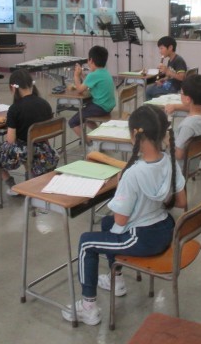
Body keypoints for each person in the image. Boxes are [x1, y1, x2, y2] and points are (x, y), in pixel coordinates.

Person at [64, 105, 186, 325]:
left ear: (134, 135)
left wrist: (121, 186)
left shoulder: (133, 173)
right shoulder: (170, 161)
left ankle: (88, 307)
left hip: (143, 237)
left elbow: (121, 219)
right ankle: (116, 279)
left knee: (86, 242)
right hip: (166, 228)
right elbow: (182, 202)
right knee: (107, 223)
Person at [0, 69, 58, 196]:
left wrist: (10, 124)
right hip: (44, 149)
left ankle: (11, 184)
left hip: (26, 151)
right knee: (25, 143)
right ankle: (29, 179)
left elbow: (11, 140)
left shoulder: (15, 109)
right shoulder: (45, 104)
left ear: (13, 88)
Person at [164, 74, 201, 171]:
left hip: (179, 167)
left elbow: (178, 155)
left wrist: (166, 139)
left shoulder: (187, 126)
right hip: (194, 161)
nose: (180, 94)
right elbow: (190, 107)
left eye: (181, 93)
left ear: (187, 99)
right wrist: (175, 107)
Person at [70, 45, 116, 140]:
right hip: (108, 106)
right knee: (86, 117)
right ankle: (99, 135)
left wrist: (76, 76)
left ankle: (89, 142)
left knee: (72, 122)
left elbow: (79, 90)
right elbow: (89, 83)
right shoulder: (105, 72)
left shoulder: (93, 75)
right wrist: (82, 76)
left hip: (100, 107)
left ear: (90, 60)